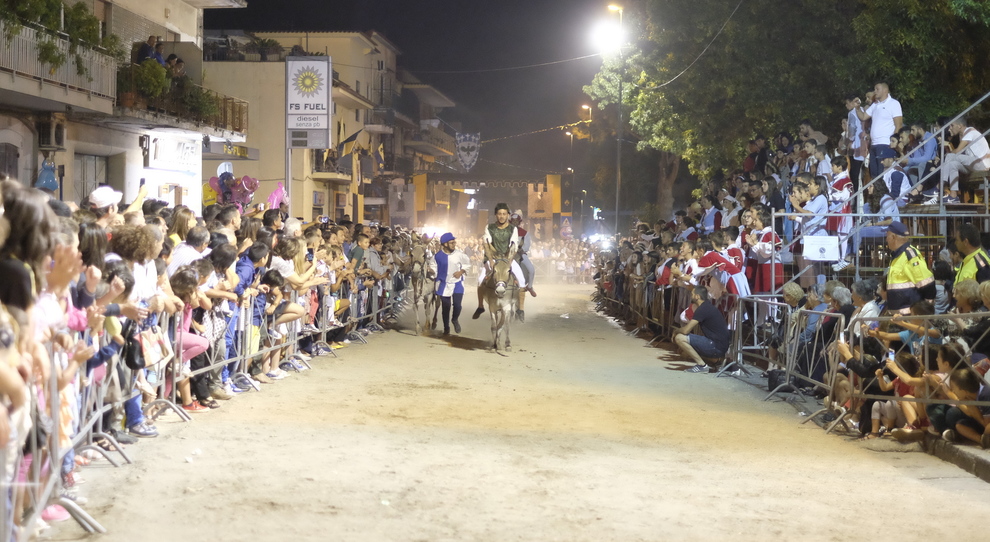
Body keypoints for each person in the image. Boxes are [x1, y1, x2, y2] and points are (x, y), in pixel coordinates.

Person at [472, 203, 535, 320]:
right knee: (480, 280)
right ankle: (480, 306)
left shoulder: (513, 229)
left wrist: (509, 261)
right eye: (499, 214)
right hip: (493, 258)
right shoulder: (489, 227)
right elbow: (487, 244)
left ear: (508, 216)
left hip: (507, 259)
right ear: (496, 215)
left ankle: (521, 309)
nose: (501, 216)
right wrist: (490, 260)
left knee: (521, 280)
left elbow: (514, 246)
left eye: (504, 214)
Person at [674, 286, 730, 374]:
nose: (691, 295)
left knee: (680, 338)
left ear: (697, 296)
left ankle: (702, 365)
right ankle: (716, 360)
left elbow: (686, 331)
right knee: (684, 353)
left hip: (716, 346)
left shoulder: (702, 309)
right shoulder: (706, 306)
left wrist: (676, 331)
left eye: (692, 294)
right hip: (720, 345)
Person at [885, 221, 936, 315]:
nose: (886, 240)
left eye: (887, 236)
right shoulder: (898, 256)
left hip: (910, 318)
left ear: (893, 237)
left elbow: (928, 285)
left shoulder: (910, 256)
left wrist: (924, 313)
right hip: (900, 318)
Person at [854, 82, 904, 178]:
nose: (875, 92)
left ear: (885, 90)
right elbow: (864, 117)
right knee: (874, 174)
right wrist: (857, 108)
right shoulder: (875, 105)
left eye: (877, 89)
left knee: (882, 173)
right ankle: (876, 192)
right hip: (874, 145)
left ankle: (884, 192)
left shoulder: (894, 103)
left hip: (885, 144)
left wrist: (894, 142)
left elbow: (898, 125)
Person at [939, 116, 990, 204]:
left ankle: (939, 186)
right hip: (973, 164)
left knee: (950, 156)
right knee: (953, 164)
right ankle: (953, 196)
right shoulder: (964, 135)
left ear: (960, 126)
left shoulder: (970, 132)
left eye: (952, 125)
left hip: (981, 163)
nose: (950, 128)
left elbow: (957, 151)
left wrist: (948, 154)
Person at [430, 233, 471, 335]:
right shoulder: (437, 257)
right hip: (444, 284)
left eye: (454, 242)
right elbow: (433, 268)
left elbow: (467, 264)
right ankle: (446, 327)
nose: (454, 244)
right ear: (445, 244)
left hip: (457, 283)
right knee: (446, 307)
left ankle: (455, 319)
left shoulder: (459, 254)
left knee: (458, 306)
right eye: (451, 242)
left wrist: (461, 272)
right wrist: (431, 270)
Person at [509, 212, 537, 321]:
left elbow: (527, 245)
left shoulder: (525, 233)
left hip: (520, 254)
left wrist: (520, 250)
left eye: (517, 222)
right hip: (509, 255)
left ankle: (529, 286)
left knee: (531, 269)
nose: (515, 223)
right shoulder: (507, 232)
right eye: (513, 222)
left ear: (520, 222)